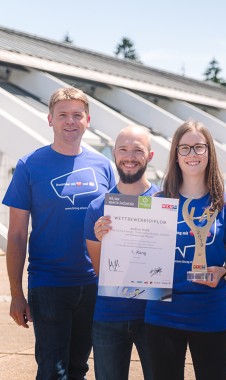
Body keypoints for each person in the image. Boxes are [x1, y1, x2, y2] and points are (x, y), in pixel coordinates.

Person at [2, 87, 116, 379]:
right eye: (63, 115)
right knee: (53, 370)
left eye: (77, 115)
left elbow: (118, 226)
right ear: (50, 119)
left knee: (79, 367)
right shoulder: (30, 165)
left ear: (87, 120)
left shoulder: (103, 166)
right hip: (49, 283)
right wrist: (16, 293)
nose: (70, 121)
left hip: (93, 284)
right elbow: (16, 234)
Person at [144, 121, 226, 380]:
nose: (192, 154)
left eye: (199, 147)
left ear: (209, 152)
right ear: (175, 155)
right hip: (163, 316)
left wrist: (221, 271)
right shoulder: (157, 203)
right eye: (184, 148)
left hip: (210, 315)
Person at [84, 125, 157, 380]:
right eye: (123, 150)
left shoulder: (166, 202)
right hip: (109, 316)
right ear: (114, 154)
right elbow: (98, 268)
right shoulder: (97, 208)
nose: (130, 156)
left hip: (155, 315)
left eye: (138, 150)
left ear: (150, 155)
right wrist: (103, 239)